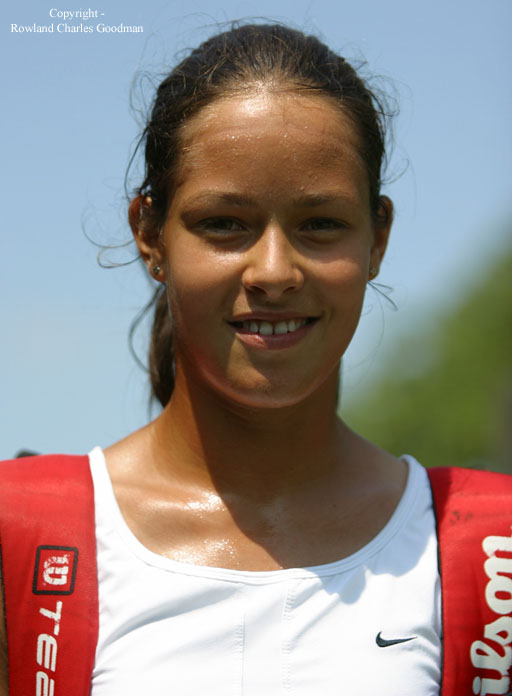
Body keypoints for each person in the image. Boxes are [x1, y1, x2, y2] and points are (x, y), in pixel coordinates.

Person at [3, 22, 499, 695]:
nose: (273, 271)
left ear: (378, 237)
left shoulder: (493, 554)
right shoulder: (22, 538)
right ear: (149, 234)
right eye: (224, 224)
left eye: (320, 223)